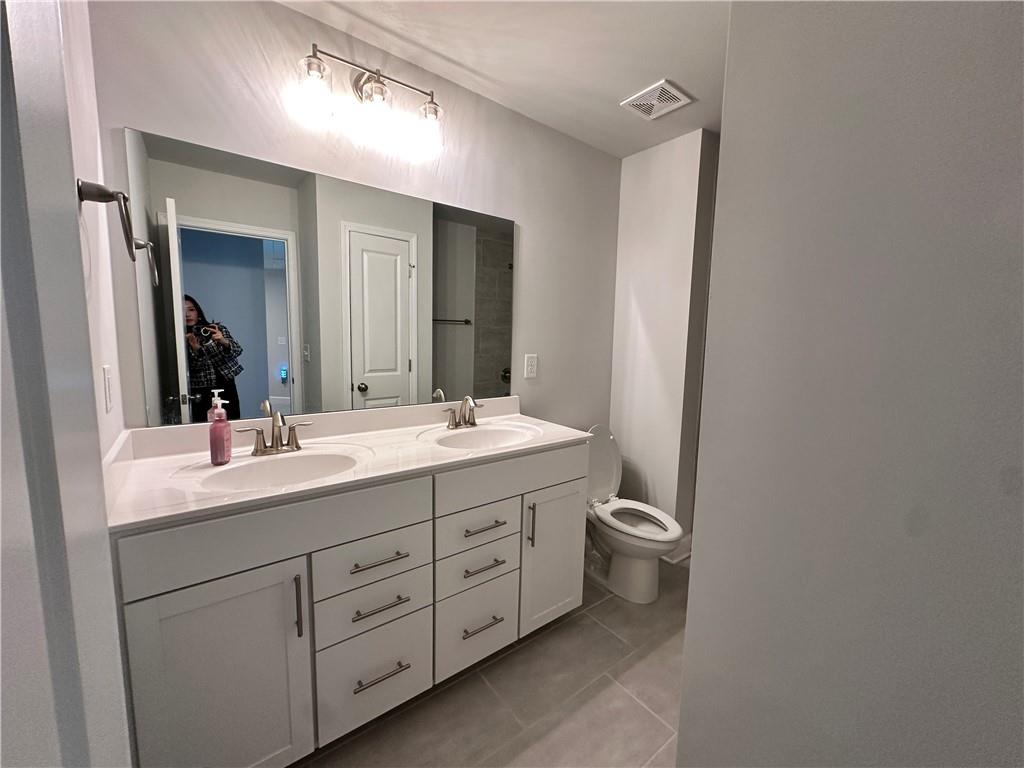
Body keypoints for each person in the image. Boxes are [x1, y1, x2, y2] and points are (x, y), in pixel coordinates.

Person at [183, 294, 243, 422]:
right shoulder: (181, 338)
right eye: (183, 311)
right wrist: (196, 349)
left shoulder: (217, 329)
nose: (187, 314)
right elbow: (194, 368)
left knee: (231, 422)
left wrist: (223, 341)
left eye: (191, 309)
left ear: (198, 312)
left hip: (226, 386)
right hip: (201, 391)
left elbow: (238, 350)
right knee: (203, 426)